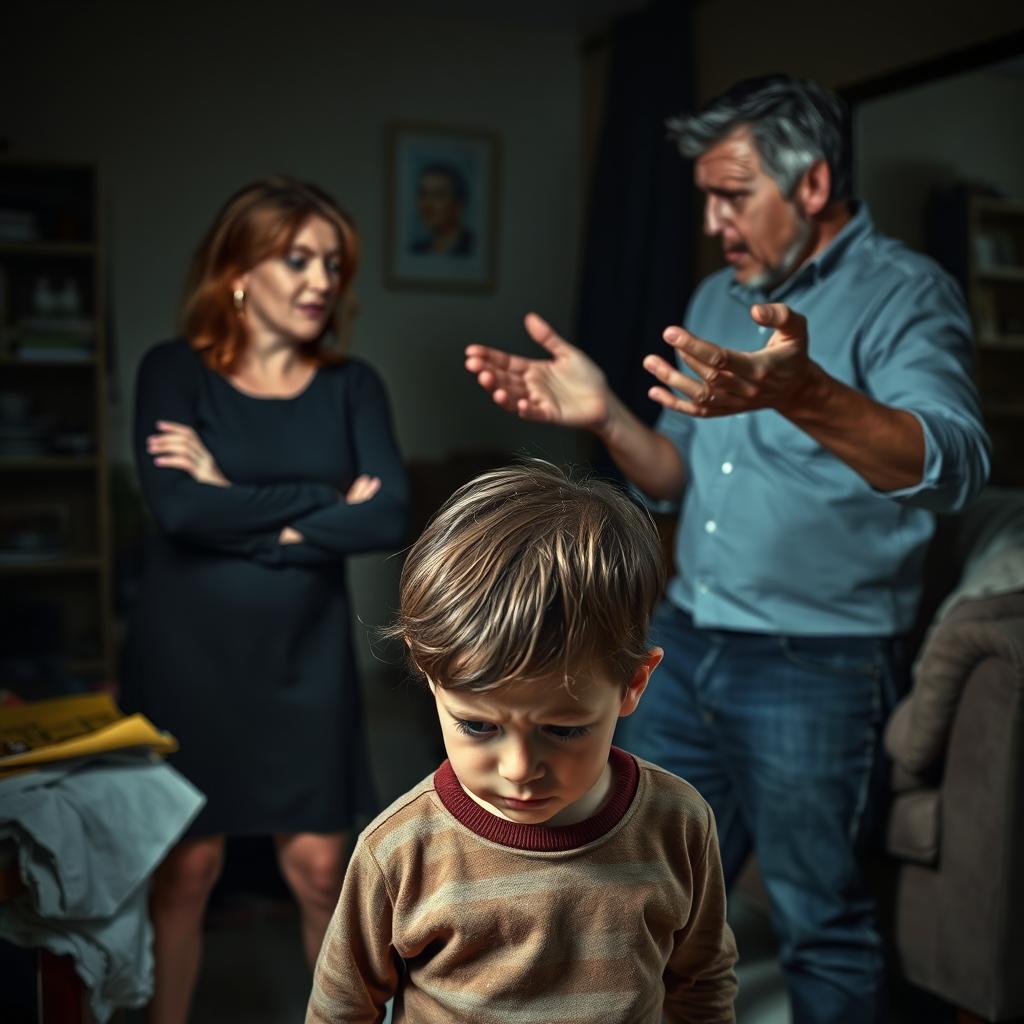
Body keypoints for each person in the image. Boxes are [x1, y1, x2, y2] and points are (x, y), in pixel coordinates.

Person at [464, 75, 991, 1023]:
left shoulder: (905, 294)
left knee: (815, 920)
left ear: (815, 184)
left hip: (817, 662)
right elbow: (677, 478)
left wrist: (806, 394)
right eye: (706, 196)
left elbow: (954, 463)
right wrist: (606, 416)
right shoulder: (719, 293)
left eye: (733, 193)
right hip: (685, 641)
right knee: (633, 886)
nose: (715, 222)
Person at [122, 177, 409, 1024]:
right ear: (240, 269)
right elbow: (177, 508)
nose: (323, 279)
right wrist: (319, 510)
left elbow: (390, 512)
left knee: (324, 871)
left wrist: (234, 497)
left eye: (332, 262)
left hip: (304, 662)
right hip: (189, 657)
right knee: (186, 875)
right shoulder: (173, 372)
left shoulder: (354, 385)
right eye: (298, 259)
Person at [306, 461, 738, 1023]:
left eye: (562, 730)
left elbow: (702, 986)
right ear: (430, 676)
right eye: (478, 726)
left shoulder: (678, 823)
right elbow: (341, 1011)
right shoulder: (398, 853)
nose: (518, 768)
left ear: (634, 683)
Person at [409, 162, 474, 256]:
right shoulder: (417, 249)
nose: (427, 205)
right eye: (423, 194)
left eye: (438, 195)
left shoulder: (470, 247)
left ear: (459, 204)